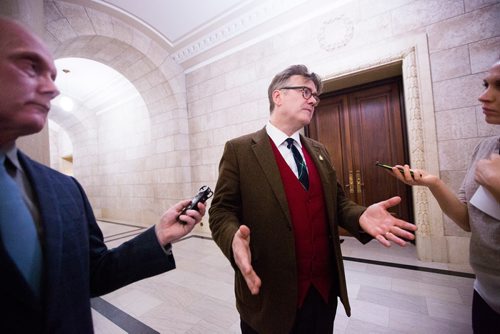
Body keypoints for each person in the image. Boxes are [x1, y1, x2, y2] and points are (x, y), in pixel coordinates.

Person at [0, 17, 206, 333]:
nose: (52, 89)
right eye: (30, 67)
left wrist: (159, 236)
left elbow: (93, 273)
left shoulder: (65, 189)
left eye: (53, 75)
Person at [208, 64, 418, 334]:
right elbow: (221, 211)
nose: (313, 100)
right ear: (278, 96)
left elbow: (338, 203)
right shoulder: (239, 150)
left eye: (315, 96)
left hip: (322, 293)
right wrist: (232, 237)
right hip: (269, 297)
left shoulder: (319, 150)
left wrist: (361, 215)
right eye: (305, 91)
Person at [388, 60, 500, 333]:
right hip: (485, 291)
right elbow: (467, 220)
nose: (484, 95)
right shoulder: (486, 148)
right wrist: (433, 183)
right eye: (486, 84)